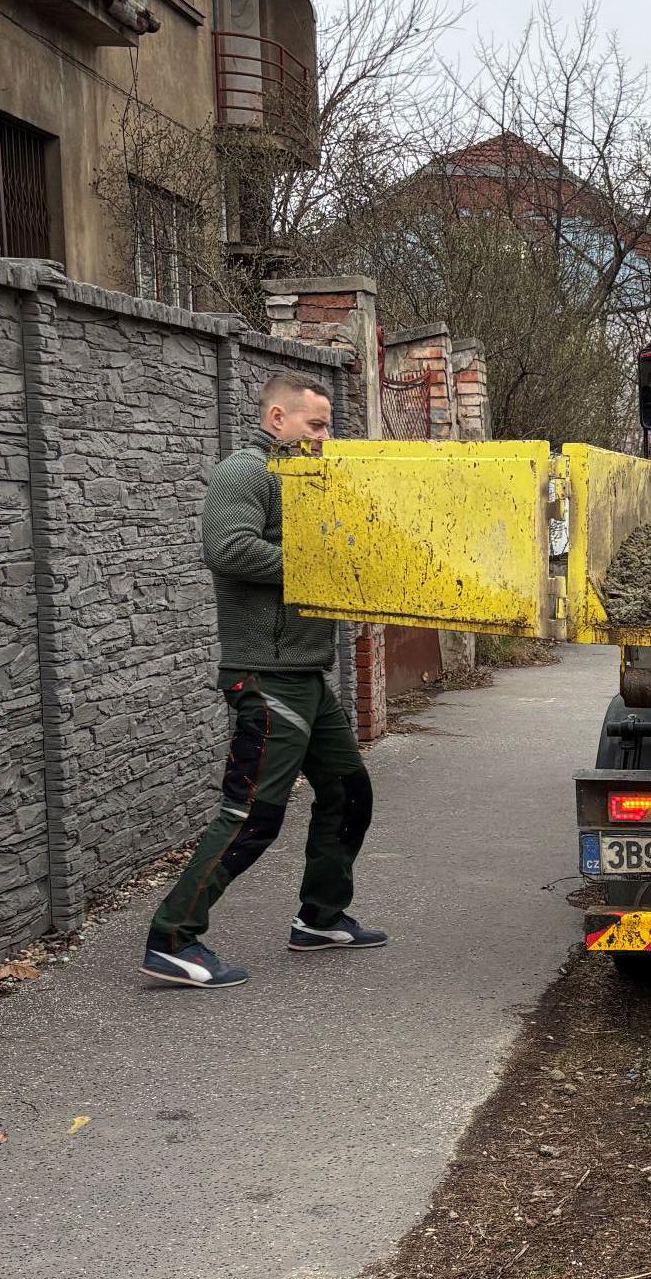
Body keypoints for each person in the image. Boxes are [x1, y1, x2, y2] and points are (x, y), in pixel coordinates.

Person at [142, 372, 387, 988]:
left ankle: (320, 918)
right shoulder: (246, 472)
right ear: (276, 418)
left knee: (349, 791)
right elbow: (227, 549)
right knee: (252, 814)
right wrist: (321, 563)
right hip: (265, 674)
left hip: (306, 673)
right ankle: (173, 938)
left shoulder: (305, 478)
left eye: (328, 425)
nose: (326, 436)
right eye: (317, 424)